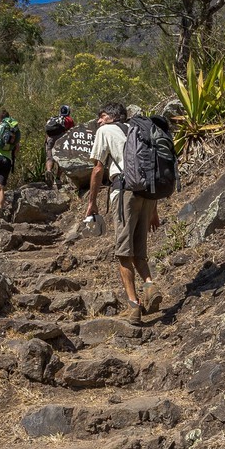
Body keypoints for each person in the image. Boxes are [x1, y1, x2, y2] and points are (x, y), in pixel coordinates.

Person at [84, 101, 158, 323]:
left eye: (102, 116)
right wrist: (154, 210)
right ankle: (150, 286)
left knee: (124, 253)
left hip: (124, 192)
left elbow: (98, 168)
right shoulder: (139, 130)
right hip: (147, 195)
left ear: (112, 117)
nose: (98, 120)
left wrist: (92, 202)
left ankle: (134, 306)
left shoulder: (105, 131)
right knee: (139, 251)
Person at [44, 104, 74, 186]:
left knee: (49, 157)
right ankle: (57, 178)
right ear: (68, 112)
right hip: (61, 138)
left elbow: (47, 132)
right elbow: (71, 132)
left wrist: (46, 141)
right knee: (61, 158)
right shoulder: (69, 120)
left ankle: (49, 171)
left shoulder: (53, 119)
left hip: (50, 138)